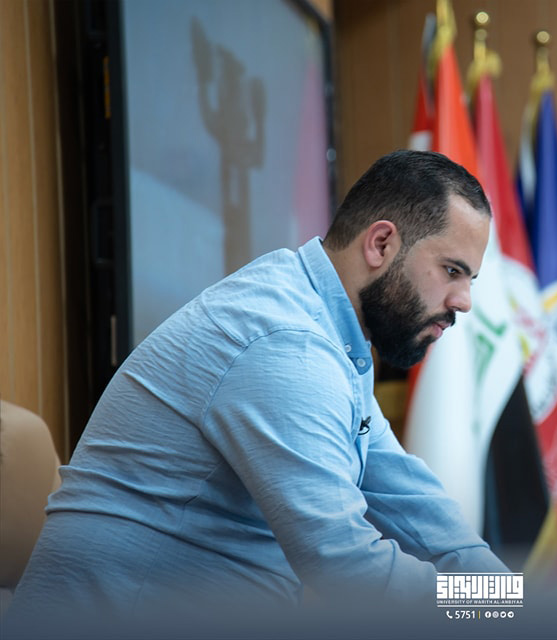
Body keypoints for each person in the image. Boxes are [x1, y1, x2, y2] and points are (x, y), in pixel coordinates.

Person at [8, 150, 508, 625]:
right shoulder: (286, 344)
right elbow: (346, 563)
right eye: (452, 271)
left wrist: (505, 597)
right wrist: (489, 608)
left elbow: (410, 499)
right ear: (381, 244)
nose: (464, 301)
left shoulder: (325, 329)